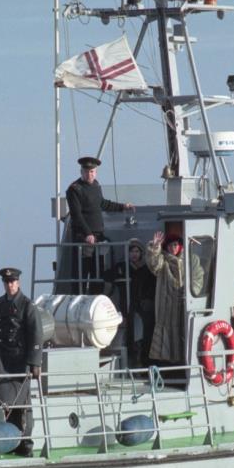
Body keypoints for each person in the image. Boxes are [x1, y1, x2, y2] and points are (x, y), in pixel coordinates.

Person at [0, 267, 43, 457]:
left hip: (20, 362)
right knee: (6, 403)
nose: (9, 285)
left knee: (22, 403)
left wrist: (35, 363)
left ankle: (25, 442)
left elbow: (36, 334)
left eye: (12, 282)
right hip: (2, 361)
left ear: (18, 282)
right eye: (6, 282)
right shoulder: (0, 304)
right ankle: (10, 440)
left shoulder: (27, 305)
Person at [66, 156, 134, 293]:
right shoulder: (75, 189)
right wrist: (87, 234)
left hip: (98, 236)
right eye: (86, 171)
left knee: (97, 273)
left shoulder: (96, 185)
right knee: (82, 273)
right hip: (83, 238)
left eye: (92, 171)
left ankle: (94, 299)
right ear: (81, 172)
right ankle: (79, 299)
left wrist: (122, 207)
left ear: (95, 172)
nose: (89, 174)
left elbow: (102, 203)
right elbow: (76, 215)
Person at [104, 239, 157, 367]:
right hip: (126, 306)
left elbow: (152, 286)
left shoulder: (146, 269)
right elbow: (107, 276)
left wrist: (148, 300)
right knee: (128, 334)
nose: (134, 254)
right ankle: (130, 359)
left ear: (141, 253)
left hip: (142, 306)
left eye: (137, 251)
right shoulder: (122, 267)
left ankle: (144, 360)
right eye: (132, 251)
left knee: (144, 333)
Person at [146, 231, 187, 365]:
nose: (172, 248)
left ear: (180, 246)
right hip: (167, 307)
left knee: (185, 334)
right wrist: (155, 247)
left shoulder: (189, 259)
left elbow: (198, 277)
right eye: (169, 245)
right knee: (167, 340)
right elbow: (153, 265)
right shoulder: (163, 260)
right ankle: (168, 367)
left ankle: (184, 364)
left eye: (175, 245)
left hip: (185, 306)